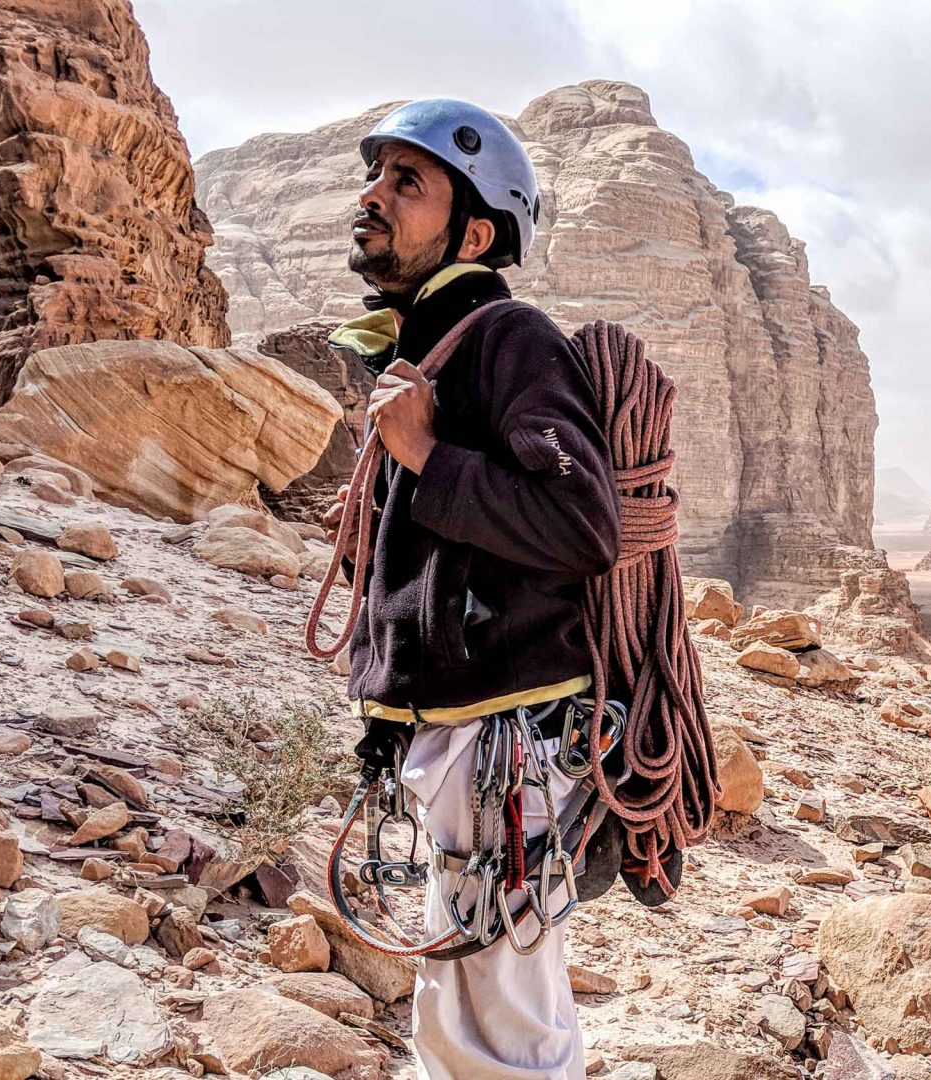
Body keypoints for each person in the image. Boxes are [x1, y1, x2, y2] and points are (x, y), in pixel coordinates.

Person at [321, 97, 619, 1080]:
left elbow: (582, 525)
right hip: (467, 737)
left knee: (511, 1025)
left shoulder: (509, 337)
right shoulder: (430, 349)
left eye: (408, 182)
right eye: (377, 175)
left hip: (512, 743)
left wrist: (429, 458)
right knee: (464, 1007)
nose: (374, 196)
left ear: (476, 231)